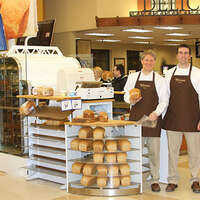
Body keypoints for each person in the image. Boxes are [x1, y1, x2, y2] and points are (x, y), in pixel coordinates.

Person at [124, 50, 168, 192]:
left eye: (151, 60)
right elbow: (126, 94)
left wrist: (156, 113)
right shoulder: (133, 77)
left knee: (154, 152)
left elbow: (164, 100)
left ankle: (155, 179)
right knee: (134, 150)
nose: (148, 62)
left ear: (154, 62)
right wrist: (130, 99)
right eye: (146, 60)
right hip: (135, 119)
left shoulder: (160, 79)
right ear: (141, 61)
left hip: (151, 119)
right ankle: (132, 178)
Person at [163, 44, 200, 193]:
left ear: (190, 56)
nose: (183, 56)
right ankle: (172, 180)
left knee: (194, 152)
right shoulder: (169, 74)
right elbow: (165, 97)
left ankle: (195, 180)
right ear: (177, 56)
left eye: (186, 53)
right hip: (173, 119)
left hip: (193, 119)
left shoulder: (198, 73)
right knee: (173, 152)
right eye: (181, 53)